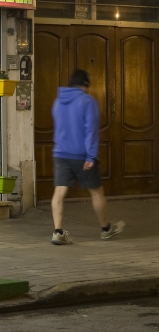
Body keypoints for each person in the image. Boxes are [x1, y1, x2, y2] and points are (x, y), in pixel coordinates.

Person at [51, 69, 125, 245]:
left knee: (59, 192)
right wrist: (91, 156)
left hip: (61, 153)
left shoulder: (58, 102)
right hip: (82, 155)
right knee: (96, 192)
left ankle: (58, 232)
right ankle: (106, 230)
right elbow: (91, 130)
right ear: (85, 84)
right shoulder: (87, 101)